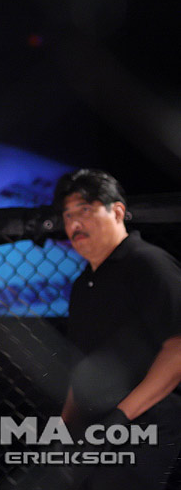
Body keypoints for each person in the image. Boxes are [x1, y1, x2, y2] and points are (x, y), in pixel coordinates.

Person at [53, 168, 181, 489]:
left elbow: (178, 348)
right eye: (68, 215)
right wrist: (63, 432)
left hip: (148, 426)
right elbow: (82, 367)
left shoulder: (148, 263)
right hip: (98, 432)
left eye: (85, 210)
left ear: (118, 211)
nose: (75, 223)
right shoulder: (83, 285)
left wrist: (120, 418)